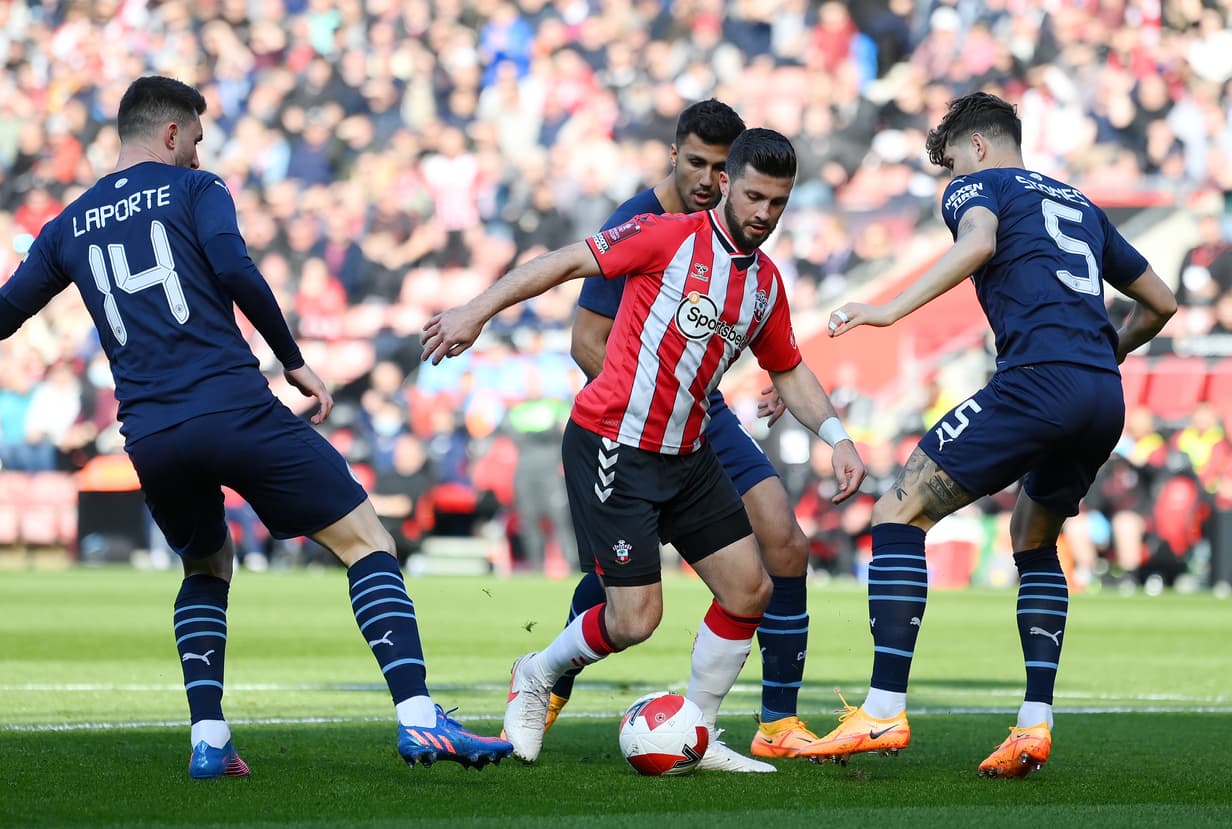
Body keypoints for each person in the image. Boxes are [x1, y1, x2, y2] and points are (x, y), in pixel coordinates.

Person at [0, 76, 512, 778]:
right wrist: (293, 361)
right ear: (171, 134)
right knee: (365, 538)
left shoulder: (67, 223)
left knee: (206, 562)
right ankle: (418, 719)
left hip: (151, 433)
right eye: (195, 139)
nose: (199, 154)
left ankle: (209, 738)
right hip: (231, 405)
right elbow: (234, 266)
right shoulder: (197, 191)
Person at [422, 128, 866, 770]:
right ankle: (537, 672)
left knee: (749, 589)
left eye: (777, 202)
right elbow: (567, 262)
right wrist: (477, 310)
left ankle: (698, 734)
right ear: (724, 185)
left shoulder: (765, 283)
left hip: (688, 456)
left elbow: (789, 369)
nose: (763, 214)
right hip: (614, 444)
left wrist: (838, 438)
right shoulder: (667, 235)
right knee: (634, 620)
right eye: (752, 197)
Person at [798, 92, 1177, 777]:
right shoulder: (1080, 203)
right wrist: (1109, 354)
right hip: (1102, 393)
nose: (950, 181)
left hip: (1038, 380)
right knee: (1033, 537)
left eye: (949, 166)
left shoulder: (980, 185)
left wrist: (884, 309)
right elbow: (1163, 301)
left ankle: (883, 706)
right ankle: (1035, 722)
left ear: (975, 148)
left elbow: (978, 243)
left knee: (898, 510)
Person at [558, 98, 825, 762]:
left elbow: (761, 336)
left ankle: (776, 720)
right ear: (674, 156)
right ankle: (552, 674)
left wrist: (738, 382)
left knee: (785, 542)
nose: (707, 180)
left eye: (718, 167)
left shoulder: (747, 243)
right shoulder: (641, 224)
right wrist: (659, 402)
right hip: (639, 421)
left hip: (704, 411)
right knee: (628, 589)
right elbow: (586, 341)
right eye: (696, 163)